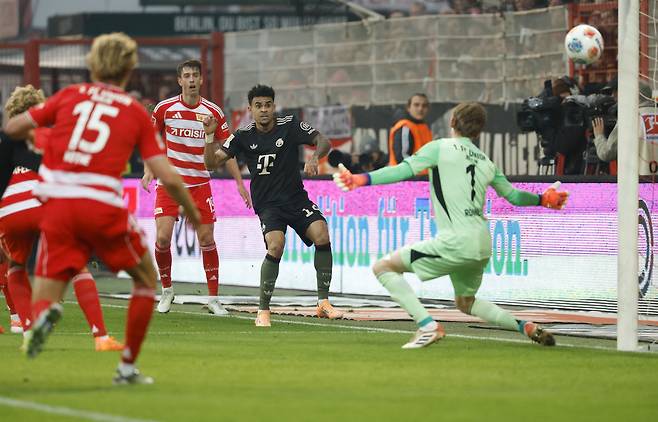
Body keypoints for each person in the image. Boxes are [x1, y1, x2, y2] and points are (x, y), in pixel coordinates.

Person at [3, 32, 201, 384]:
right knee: (145, 279)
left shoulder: (69, 95)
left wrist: (38, 134)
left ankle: (41, 316)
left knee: (47, 274)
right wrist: (193, 212)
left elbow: (14, 127)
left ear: (92, 65)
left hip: (58, 205)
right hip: (100, 204)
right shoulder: (133, 110)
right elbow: (167, 173)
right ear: (129, 69)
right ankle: (125, 368)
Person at [334, 102, 568, 349]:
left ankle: (428, 326)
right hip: (481, 244)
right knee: (466, 302)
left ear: (452, 121)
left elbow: (402, 170)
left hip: (457, 241)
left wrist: (360, 178)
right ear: (479, 131)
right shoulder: (486, 161)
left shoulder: (439, 148)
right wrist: (542, 199)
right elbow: (514, 196)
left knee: (384, 267)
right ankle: (524, 326)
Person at [203, 84, 343, 327]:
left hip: (296, 199)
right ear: (250, 109)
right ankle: (263, 310)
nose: (264, 110)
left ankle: (323, 302)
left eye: (268, 105)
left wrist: (314, 156)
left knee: (321, 233)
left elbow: (323, 141)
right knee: (276, 246)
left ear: (274, 107)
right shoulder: (242, 135)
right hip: (268, 204)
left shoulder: (289, 125)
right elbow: (211, 164)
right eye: (258, 106)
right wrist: (208, 137)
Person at [0, 85, 124, 351]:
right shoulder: (55, 133)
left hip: (11, 207)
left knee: (16, 266)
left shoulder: (7, 140)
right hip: (45, 201)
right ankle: (101, 336)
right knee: (77, 267)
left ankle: (28, 331)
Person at [142, 59, 251, 316]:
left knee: (206, 239)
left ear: (201, 80)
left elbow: (227, 150)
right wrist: (148, 170)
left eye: (195, 75)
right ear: (179, 80)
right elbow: (149, 140)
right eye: (187, 75)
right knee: (162, 238)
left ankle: (213, 298)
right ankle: (167, 289)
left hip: (200, 184)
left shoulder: (213, 112)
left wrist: (239, 183)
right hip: (170, 184)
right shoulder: (165, 108)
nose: (191, 80)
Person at [593, 80, 656, 176]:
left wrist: (599, 136)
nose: (615, 98)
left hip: (637, 180)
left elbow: (607, 153)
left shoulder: (628, 118)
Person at [388, 93, 432, 170]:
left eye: (424, 106)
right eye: (416, 105)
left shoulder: (424, 127)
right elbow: (403, 159)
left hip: (421, 174)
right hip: (407, 175)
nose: (420, 109)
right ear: (408, 108)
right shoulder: (405, 127)